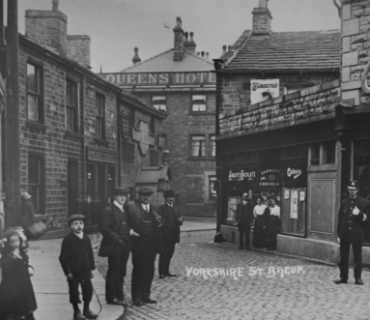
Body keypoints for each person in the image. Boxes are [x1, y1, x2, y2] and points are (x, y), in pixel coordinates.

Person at [126, 187, 162, 307]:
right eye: (143, 195)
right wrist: (131, 232)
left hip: (151, 244)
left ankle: (145, 295)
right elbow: (126, 223)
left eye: (148, 195)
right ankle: (136, 297)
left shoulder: (154, 209)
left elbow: (160, 225)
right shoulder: (132, 207)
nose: (146, 198)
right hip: (138, 243)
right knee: (139, 269)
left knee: (149, 269)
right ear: (139, 196)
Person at [59, 215, 99, 320]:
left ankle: (86, 309)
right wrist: (68, 271)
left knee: (88, 290)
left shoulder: (86, 238)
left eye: (81, 223)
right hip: (74, 271)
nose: (79, 226)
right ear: (71, 226)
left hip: (85, 269)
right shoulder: (68, 239)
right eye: (75, 224)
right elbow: (63, 257)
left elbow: (90, 254)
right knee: (74, 291)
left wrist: (91, 268)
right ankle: (76, 311)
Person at [98, 187, 131, 305]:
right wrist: (117, 239)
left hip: (126, 245)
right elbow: (104, 228)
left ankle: (120, 296)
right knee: (114, 271)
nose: (123, 198)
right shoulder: (109, 211)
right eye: (120, 195)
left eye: (125, 195)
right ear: (115, 197)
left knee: (122, 271)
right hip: (115, 246)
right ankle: (111, 297)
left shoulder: (126, 210)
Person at [334, 181, 370, 285]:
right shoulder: (344, 202)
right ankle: (343, 277)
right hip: (345, 233)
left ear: (357, 190)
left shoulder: (364, 203)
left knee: (357, 257)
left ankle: (358, 278)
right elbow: (340, 220)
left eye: (354, 190)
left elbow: (367, 220)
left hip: (357, 233)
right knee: (344, 257)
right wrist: (338, 234)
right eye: (350, 190)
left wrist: (359, 214)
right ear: (348, 190)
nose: (352, 192)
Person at [0, 230, 37, 320]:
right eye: (12, 241)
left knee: (26, 307)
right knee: (10, 309)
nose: (16, 243)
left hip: (24, 285)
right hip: (11, 287)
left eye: (17, 240)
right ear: (7, 243)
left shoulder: (21, 253)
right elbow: (9, 268)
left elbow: (26, 262)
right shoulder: (6, 257)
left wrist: (30, 267)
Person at [158, 189, 183, 278]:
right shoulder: (161, 208)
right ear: (165, 198)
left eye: (172, 197)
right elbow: (160, 220)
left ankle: (166, 271)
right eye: (169, 197)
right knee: (164, 252)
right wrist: (168, 224)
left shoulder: (176, 209)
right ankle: (161, 272)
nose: (171, 199)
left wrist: (180, 221)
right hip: (165, 235)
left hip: (173, 234)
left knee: (170, 253)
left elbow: (179, 220)